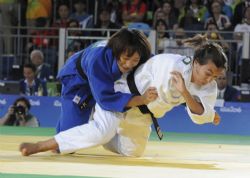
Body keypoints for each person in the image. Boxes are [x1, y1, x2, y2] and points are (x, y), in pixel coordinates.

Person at [19, 34, 227, 157]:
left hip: (143, 112)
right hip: (124, 94)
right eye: (208, 73)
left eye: (216, 76)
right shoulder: (170, 65)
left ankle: (101, 128)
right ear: (195, 62)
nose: (210, 79)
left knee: (132, 152)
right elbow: (163, 98)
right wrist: (197, 106)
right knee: (100, 131)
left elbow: (200, 115)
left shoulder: (208, 86)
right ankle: (42, 145)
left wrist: (201, 108)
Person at [56, 28, 154, 133]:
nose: (129, 64)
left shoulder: (141, 53)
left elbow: (157, 64)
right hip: (79, 81)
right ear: (116, 51)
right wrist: (141, 99)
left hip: (106, 79)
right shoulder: (98, 59)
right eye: (125, 58)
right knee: (68, 137)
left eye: (135, 60)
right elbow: (106, 98)